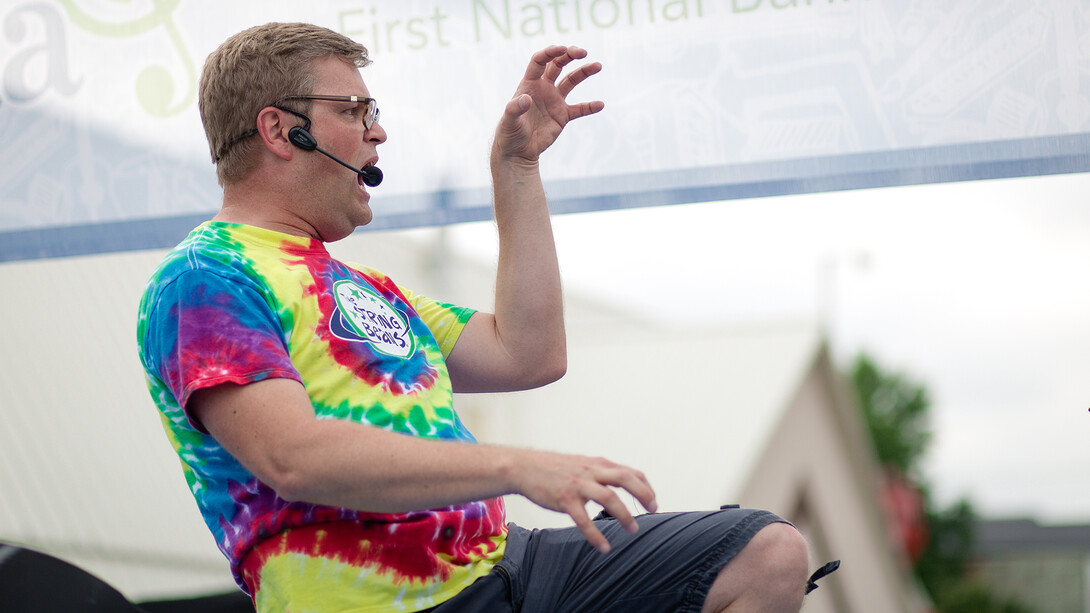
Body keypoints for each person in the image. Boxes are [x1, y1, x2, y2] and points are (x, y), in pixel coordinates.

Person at [137, 21, 813, 613]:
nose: (378, 130)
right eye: (356, 109)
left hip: (503, 564)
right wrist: (517, 465)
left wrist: (516, 168)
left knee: (768, 555)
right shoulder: (205, 275)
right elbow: (292, 455)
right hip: (375, 601)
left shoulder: (360, 283)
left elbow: (529, 352)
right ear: (283, 131)